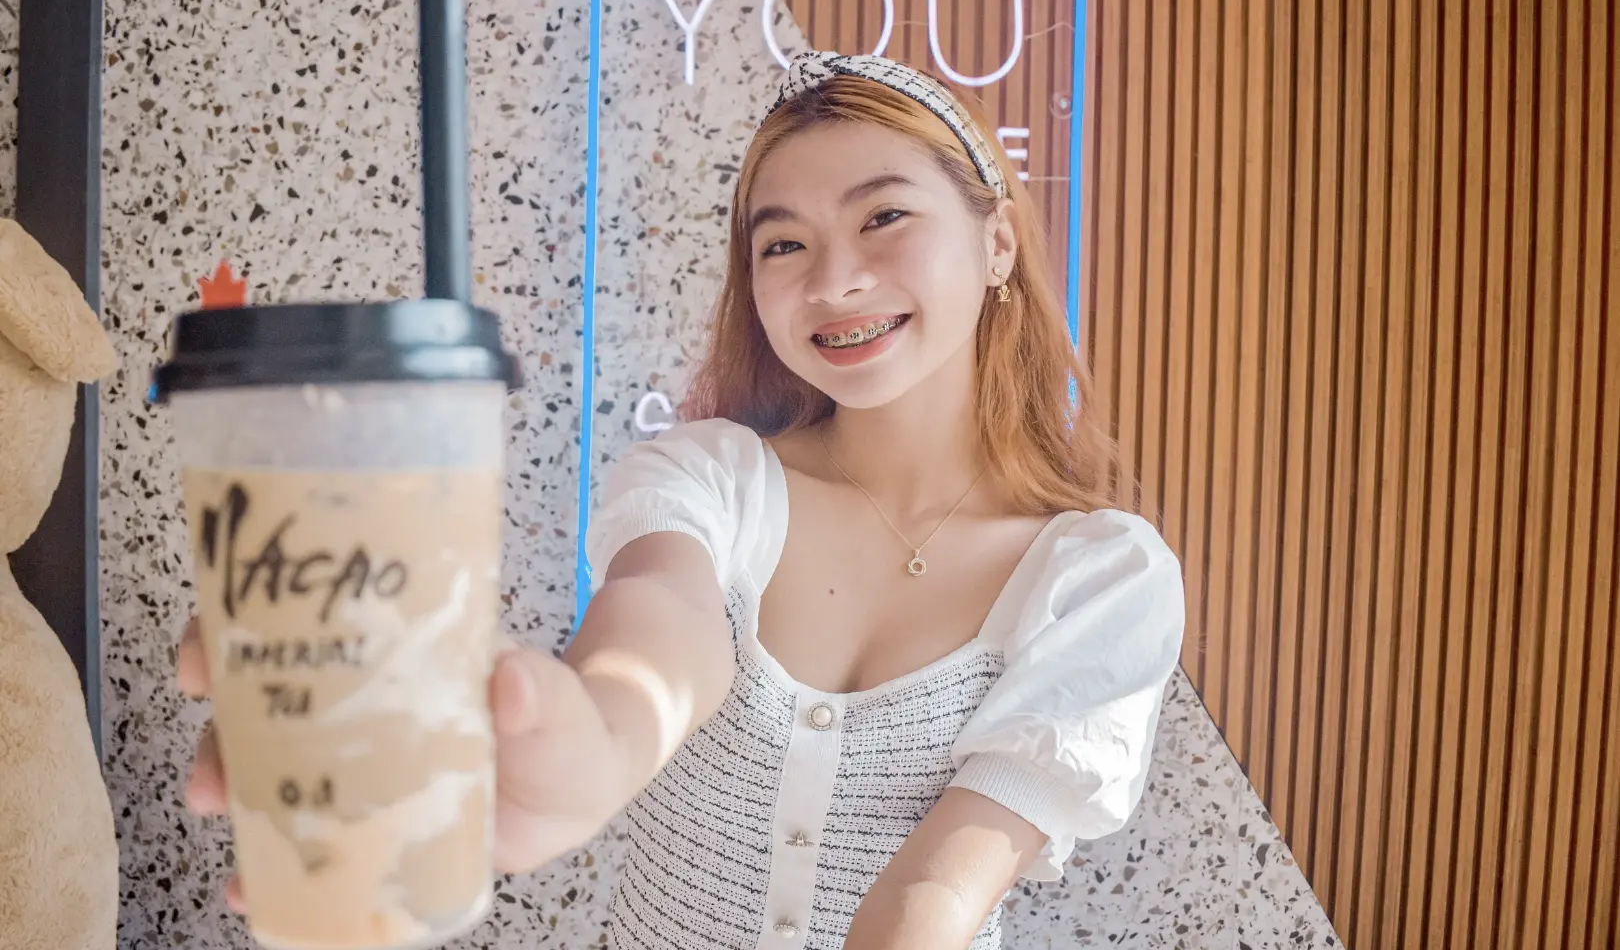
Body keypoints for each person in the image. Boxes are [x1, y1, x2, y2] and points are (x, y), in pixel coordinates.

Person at [177, 51, 1186, 949]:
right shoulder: (713, 478)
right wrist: (585, 746)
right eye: (782, 243)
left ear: (998, 243)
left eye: (884, 216)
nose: (835, 278)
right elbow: (657, 636)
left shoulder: (1101, 576)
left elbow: (938, 892)